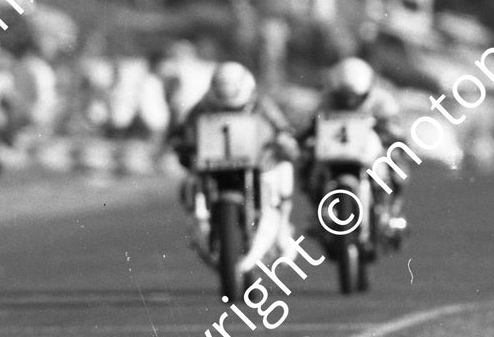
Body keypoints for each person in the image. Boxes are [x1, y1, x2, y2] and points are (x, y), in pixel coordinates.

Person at [168, 61, 299, 259]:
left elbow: (280, 124)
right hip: (214, 166)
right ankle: (198, 225)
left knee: (284, 167)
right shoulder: (204, 105)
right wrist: (181, 141)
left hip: (256, 163)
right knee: (188, 183)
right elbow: (184, 128)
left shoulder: (259, 103)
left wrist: (283, 136)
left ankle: (282, 224)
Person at [301, 56, 408, 242]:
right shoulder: (326, 101)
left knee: (395, 162)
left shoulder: (382, 101)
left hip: (369, 151)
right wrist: (303, 137)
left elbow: (397, 129)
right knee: (308, 167)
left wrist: (390, 133)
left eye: (354, 96)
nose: (349, 101)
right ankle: (318, 213)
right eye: (344, 96)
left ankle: (392, 209)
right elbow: (310, 125)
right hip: (334, 154)